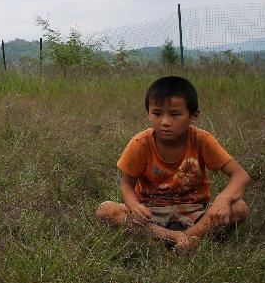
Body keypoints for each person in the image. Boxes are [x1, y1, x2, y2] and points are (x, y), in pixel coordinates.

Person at [97, 76, 250, 252]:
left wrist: (223, 199)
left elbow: (240, 175)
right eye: (157, 113)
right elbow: (126, 184)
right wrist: (135, 206)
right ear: (148, 112)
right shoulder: (140, 143)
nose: (165, 122)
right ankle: (182, 238)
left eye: (175, 114)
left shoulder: (201, 140)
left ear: (194, 116)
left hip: (194, 212)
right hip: (151, 213)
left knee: (239, 208)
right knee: (106, 210)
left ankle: (180, 236)